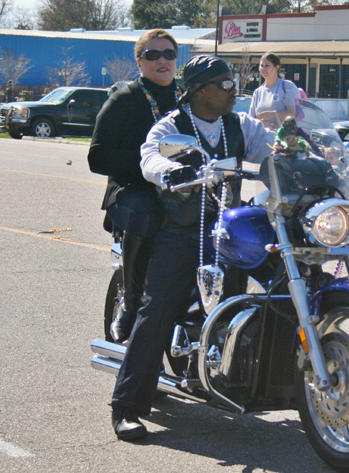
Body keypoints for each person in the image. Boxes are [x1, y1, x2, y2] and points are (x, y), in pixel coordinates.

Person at [110, 55, 272, 441]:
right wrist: (171, 171)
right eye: (227, 85)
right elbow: (150, 157)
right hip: (182, 230)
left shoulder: (239, 124)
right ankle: (127, 405)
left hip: (229, 231)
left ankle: (236, 377)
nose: (236, 92)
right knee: (159, 307)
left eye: (235, 84)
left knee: (274, 287)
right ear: (200, 90)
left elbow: (274, 149)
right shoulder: (172, 126)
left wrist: (308, 154)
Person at [87, 29, 181, 343]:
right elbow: (97, 158)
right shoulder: (124, 99)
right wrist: (148, 162)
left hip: (183, 191)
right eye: (152, 55)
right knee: (146, 214)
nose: (162, 60)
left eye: (169, 54)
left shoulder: (190, 98)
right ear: (139, 62)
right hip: (131, 191)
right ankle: (130, 300)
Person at [250, 52, 302, 140]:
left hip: (283, 141)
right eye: (261, 65)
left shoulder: (287, 87)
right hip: (261, 141)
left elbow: (292, 114)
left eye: (267, 65)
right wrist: (264, 125)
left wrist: (271, 115)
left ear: (276, 67)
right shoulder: (257, 92)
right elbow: (251, 120)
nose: (263, 68)